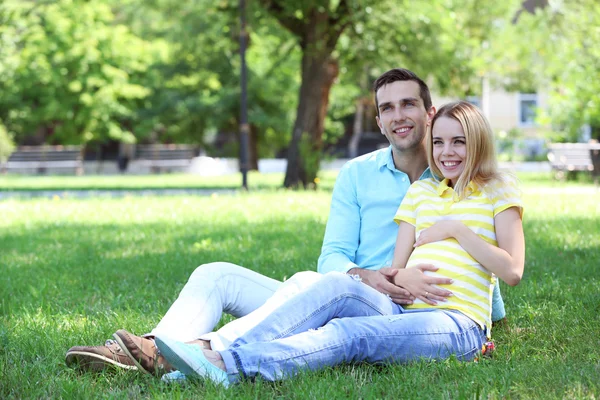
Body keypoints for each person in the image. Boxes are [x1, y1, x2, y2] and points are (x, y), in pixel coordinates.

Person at [65, 68, 506, 375]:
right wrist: (366, 276)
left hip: (397, 311)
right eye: (388, 108)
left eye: (409, 104)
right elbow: (331, 256)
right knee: (218, 274)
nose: (399, 116)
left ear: (429, 113)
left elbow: (481, 257)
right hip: (334, 293)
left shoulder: (456, 177)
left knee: (306, 283)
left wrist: (479, 308)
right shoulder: (356, 175)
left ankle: (183, 354)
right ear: (379, 120)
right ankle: (154, 345)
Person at [153, 100, 525, 386]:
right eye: (439, 141)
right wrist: (401, 278)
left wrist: (457, 229)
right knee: (336, 284)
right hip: (401, 310)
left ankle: (229, 367)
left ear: (477, 141)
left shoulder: (497, 189)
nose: (447, 152)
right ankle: (214, 356)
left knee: (349, 334)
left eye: (459, 142)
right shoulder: (422, 191)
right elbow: (394, 268)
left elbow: (512, 271)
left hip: (456, 324)